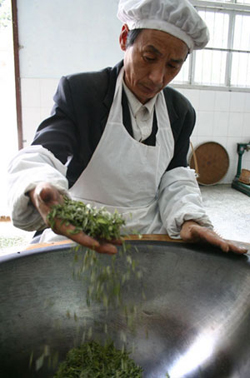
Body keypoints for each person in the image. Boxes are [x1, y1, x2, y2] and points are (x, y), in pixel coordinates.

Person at [8, 0, 247, 255]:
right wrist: (40, 184)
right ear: (124, 39)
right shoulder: (82, 93)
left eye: (172, 65)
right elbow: (43, 151)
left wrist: (189, 219)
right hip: (80, 227)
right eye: (149, 57)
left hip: (149, 233)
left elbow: (174, 177)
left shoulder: (180, 111)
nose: (157, 77)